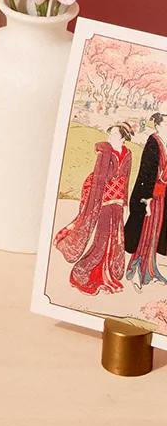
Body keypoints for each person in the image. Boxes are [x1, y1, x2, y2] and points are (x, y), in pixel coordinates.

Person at [54, 122, 134, 296]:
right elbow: (98, 180)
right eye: (110, 134)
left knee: (115, 240)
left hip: (118, 202)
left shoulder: (128, 154)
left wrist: (125, 202)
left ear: (123, 137)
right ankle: (82, 273)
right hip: (104, 201)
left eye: (114, 134)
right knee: (101, 240)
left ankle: (107, 273)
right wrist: (96, 204)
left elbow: (126, 180)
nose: (110, 137)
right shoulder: (105, 152)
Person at [124, 112, 167, 289]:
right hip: (150, 196)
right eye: (165, 124)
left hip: (162, 196)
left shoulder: (165, 142)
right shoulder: (153, 142)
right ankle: (136, 268)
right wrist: (147, 198)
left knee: (156, 232)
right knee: (146, 231)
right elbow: (146, 172)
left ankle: (150, 268)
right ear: (158, 126)